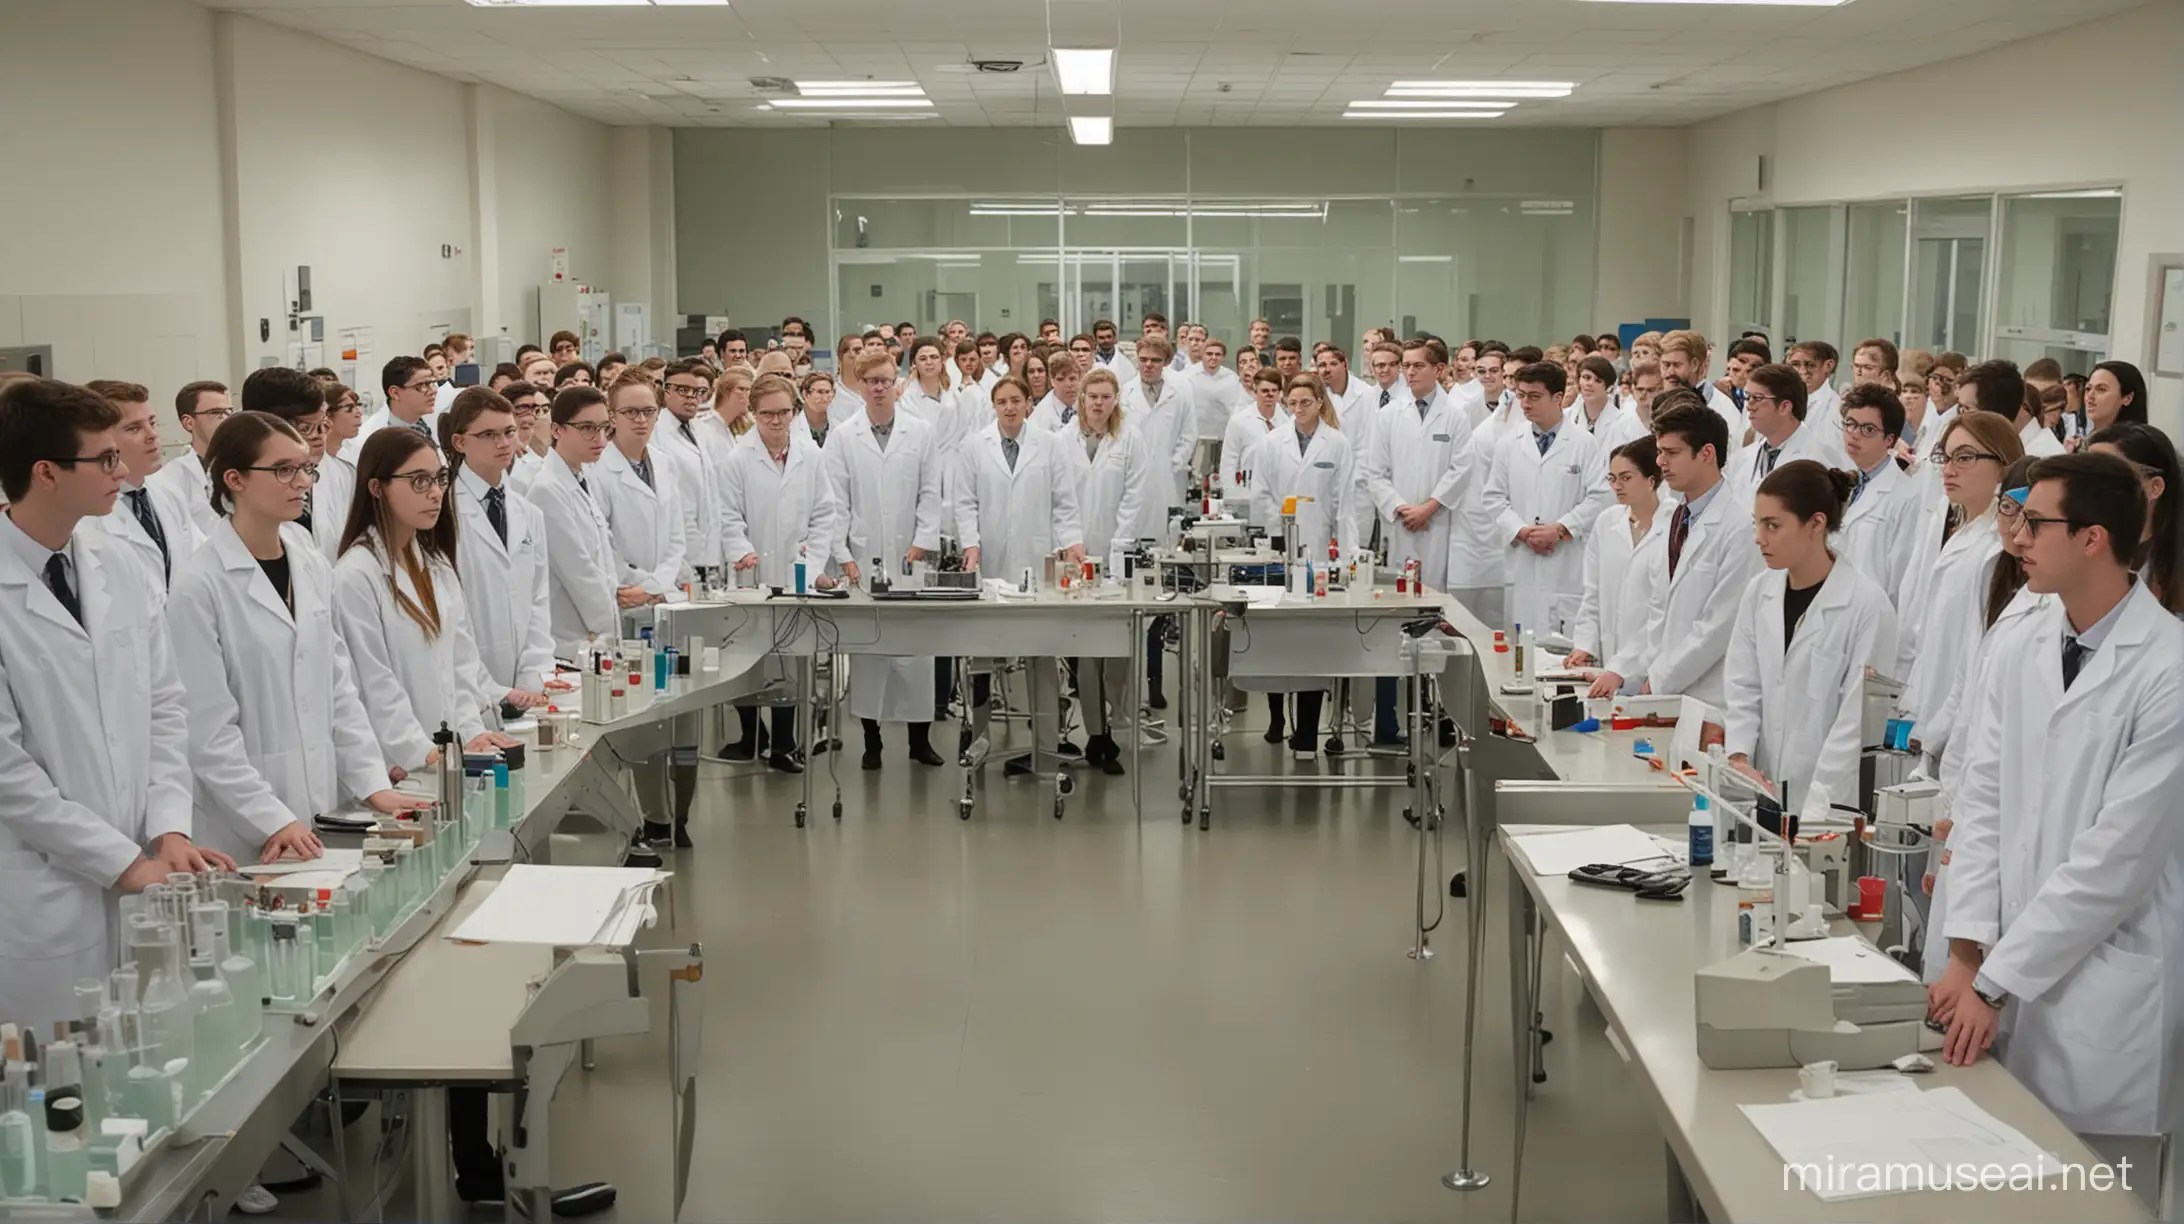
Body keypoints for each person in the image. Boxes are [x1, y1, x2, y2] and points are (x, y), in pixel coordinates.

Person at [1929, 452, 2184, 1152]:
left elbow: (2117, 860)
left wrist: (1996, 980)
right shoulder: (2030, 638)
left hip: (2104, 986)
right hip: (2005, 974)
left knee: (2101, 1192)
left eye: (2036, 523)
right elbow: (1985, 797)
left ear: (2093, 539)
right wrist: (1967, 948)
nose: (2016, 539)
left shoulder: (2168, 666)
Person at [0, 378, 235, 1038]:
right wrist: (123, 863)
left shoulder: (120, 561)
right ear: (46, 473)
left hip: (145, 866)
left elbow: (165, 703)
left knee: (151, 1059)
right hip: (45, 888)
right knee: (60, 1087)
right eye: (103, 459)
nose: (123, 469)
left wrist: (168, 826)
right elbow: (10, 777)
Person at [172, 409, 428, 870]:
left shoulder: (307, 560)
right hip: (243, 828)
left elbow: (338, 686)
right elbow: (207, 733)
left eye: (305, 468)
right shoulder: (199, 584)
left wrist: (372, 783)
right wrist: (271, 819)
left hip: (318, 806)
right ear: (235, 479)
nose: (303, 482)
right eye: (283, 470)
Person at [332, 428, 512, 779]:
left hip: (447, 757)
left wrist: (472, 733)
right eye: (418, 481)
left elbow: (461, 663)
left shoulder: (436, 565)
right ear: (376, 488)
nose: (434, 493)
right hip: (397, 765)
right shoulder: (355, 575)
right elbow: (373, 683)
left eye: (439, 479)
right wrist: (420, 752)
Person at [1722, 460, 1899, 813]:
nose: (1759, 538)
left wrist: (1819, 808)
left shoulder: (1866, 606)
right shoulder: (1760, 592)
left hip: (1831, 803)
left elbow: (1855, 723)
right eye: (1757, 525)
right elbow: (1743, 684)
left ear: (1816, 524)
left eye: (1773, 526)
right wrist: (1739, 756)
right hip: (1764, 790)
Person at [954, 375, 1085, 777]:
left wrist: (1073, 543)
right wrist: (971, 546)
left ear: (1029, 403)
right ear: (992, 405)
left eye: (1016, 400)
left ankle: (1045, 745)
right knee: (982, 654)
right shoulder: (974, 446)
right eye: (1001, 401)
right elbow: (965, 503)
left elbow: (1064, 502)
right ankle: (977, 738)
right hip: (990, 563)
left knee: (1040, 654)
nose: (1009, 408)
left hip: (1036, 559)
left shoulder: (1050, 444)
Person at [1593, 397, 1760, 706]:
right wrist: (1622, 669)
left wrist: (1656, 682)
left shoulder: (1739, 528)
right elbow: (1659, 611)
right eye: (1659, 452)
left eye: (1671, 453)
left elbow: (1716, 628)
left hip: (1711, 696)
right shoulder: (1677, 518)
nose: (1660, 462)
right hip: (1665, 689)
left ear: (1707, 453)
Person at [826, 353, 947, 770]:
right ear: (859, 386)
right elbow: (835, 502)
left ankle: (920, 741)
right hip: (862, 555)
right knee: (870, 651)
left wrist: (924, 539)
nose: (878, 388)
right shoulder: (844, 435)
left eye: (884, 380)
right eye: (870, 381)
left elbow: (931, 493)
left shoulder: (921, 431)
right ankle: (872, 742)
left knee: (916, 650)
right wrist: (842, 554)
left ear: (897, 382)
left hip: (911, 556)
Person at [719, 373, 841, 771]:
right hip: (749, 574)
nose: (776, 421)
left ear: (795, 412)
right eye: (767, 413)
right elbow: (727, 516)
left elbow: (825, 512)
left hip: (796, 572)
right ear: (753, 413)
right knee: (747, 657)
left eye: (784, 413)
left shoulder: (810, 455)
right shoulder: (737, 459)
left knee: (789, 656)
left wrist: (815, 558)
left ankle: (785, 744)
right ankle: (751, 736)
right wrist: (741, 550)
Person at [1894, 411, 2024, 772]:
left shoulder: (2000, 550)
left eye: (1964, 458)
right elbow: (1935, 638)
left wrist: (1937, 734)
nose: (1948, 469)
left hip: (1962, 736)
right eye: (1945, 458)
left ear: (2003, 465)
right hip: (1935, 726)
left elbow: (1976, 661)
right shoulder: (1965, 532)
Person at [1246, 375, 1358, 758]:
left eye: (1305, 401)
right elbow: (1260, 494)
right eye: (1291, 401)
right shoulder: (1271, 442)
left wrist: (1347, 556)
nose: (1298, 408)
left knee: (1313, 643)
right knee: (1276, 641)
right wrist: (1274, 538)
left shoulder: (1337, 444)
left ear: (1319, 402)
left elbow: (1345, 506)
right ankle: (1277, 717)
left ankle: (1308, 731)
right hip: (1279, 551)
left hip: (1321, 556)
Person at [1062, 369, 1154, 774]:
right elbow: (1056, 497)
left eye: (1106, 396)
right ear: (1080, 398)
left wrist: (1119, 550)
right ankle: (1096, 735)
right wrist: (1067, 543)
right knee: (1083, 650)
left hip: (1116, 556)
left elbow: (1135, 498)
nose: (1098, 403)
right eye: (1091, 396)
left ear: (1116, 399)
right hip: (1071, 555)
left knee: (1115, 650)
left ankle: (1115, 725)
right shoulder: (1062, 440)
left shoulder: (1130, 439)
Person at [1482, 362, 1614, 640]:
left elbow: (1601, 496)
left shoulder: (1583, 443)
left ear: (1557, 397)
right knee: (1520, 648)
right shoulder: (1508, 443)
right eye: (1521, 395)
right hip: (1522, 557)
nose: (1525, 404)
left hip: (1565, 561)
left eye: (1534, 396)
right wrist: (1521, 530)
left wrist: (1561, 529)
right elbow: (1493, 496)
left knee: (1561, 649)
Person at [1365, 338, 1478, 595]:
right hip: (1400, 521)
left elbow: (1461, 468)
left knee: (1434, 593)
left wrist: (1428, 508)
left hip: (1437, 521)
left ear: (1438, 370)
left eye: (1418, 365)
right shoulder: (1388, 415)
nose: (1411, 372)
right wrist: (1401, 509)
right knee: (1399, 594)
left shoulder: (1456, 415)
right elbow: (1375, 472)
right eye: (1406, 366)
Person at [527, 386, 631, 658]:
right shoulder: (547, 489)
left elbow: (604, 554)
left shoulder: (582, 477)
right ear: (557, 430)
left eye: (604, 428)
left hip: (593, 636)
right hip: (572, 640)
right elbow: (578, 570)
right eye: (587, 428)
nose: (599, 439)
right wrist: (611, 629)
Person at [1566, 437, 1668, 691]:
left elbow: (1663, 611)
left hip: (1655, 665)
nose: (1617, 486)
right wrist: (1584, 646)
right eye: (1612, 479)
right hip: (1607, 664)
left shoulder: (1673, 526)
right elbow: (1593, 593)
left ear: (1651, 480)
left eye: (1626, 478)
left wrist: (1625, 666)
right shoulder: (1606, 523)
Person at [84, 379, 195, 598]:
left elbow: (198, 558)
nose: (152, 435)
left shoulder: (168, 491)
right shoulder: (86, 512)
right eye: (134, 428)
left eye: (152, 423)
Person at [592, 371, 689, 608]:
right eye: (631, 412)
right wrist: (643, 587)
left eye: (648, 411)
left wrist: (656, 586)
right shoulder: (596, 468)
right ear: (612, 417)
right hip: (624, 594)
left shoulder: (665, 463)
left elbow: (676, 539)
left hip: (663, 595)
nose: (641, 420)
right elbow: (603, 544)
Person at [1832, 383, 1922, 608]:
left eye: (1868, 429)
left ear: (1890, 440)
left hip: (1872, 614)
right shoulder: (1849, 482)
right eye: (1850, 424)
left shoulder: (1906, 497)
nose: (1854, 435)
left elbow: (1900, 580)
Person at [2085, 422, 2184, 614]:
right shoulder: (2085, 542)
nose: (2090, 488)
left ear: (2154, 487)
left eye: (2107, 476)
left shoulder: (2175, 570)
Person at [654, 359, 726, 583]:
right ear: (666, 391)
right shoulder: (655, 434)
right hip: (677, 555)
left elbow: (716, 495)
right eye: (683, 390)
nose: (691, 397)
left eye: (697, 391)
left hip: (711, 555)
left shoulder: (705, 432)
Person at [146, 379, 233, 535]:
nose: (226, 419)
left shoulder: (245, 465)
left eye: (229, 412)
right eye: (215, 413)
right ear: (188, 423)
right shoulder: (171, 478)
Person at [1223, 368, 1291, 517]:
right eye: (1265, 390)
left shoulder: (1288, 423)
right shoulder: (1239, 421)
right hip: (1246, 494)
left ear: (1280, 393)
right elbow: (1229, 461)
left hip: (1279, 495)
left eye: (1274, 390)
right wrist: (1230, 497)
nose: (1269, 395)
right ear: (1255, 392)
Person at [2083, 359, 2149, 435]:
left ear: (2128, 398)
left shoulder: (2130, 444)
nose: (2090, 396)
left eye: (2101, 389)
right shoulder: (2089, 438)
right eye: (2088, 389)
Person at [1031, 352, 1083, 432]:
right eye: (1061, 379)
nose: (1068, 384)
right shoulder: (1040, 415)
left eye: (1072, 378)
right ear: (1052, 381)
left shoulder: (1088, 402)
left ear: (1080, 378)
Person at [795, 372, 837, 447]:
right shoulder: (792, 427)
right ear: (805, 394)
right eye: (820, 392)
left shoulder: (839, 427)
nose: (824, 398)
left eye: (827, 392)